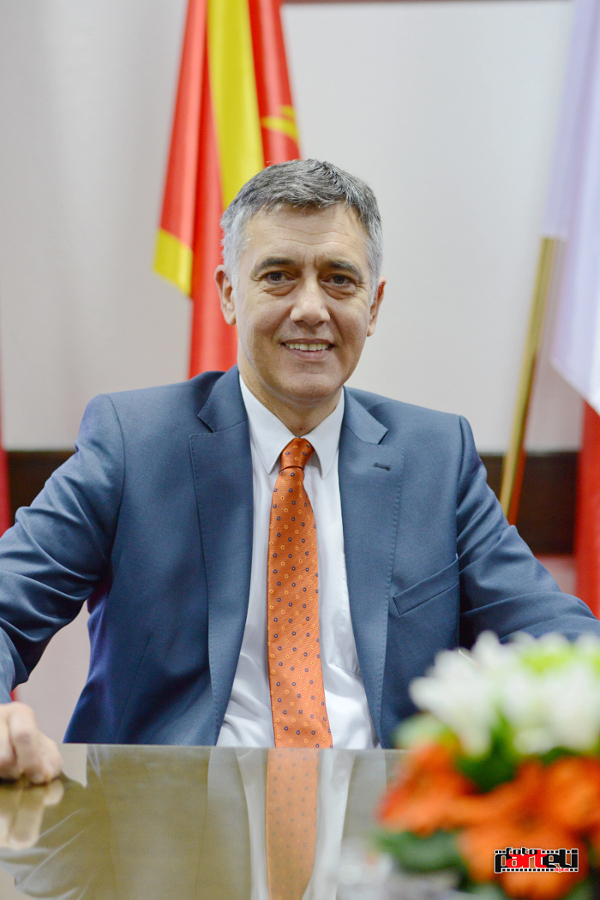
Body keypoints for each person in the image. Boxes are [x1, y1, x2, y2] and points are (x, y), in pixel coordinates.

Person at [0, 159, 598, 784]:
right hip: (168, 821)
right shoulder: (134, 444)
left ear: (374, 305)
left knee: (549, 837)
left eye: (339, 280)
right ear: (228, 293)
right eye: (278, 276)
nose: (311, 308)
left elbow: (551, 633)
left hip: (388, 825)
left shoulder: (436, 456)